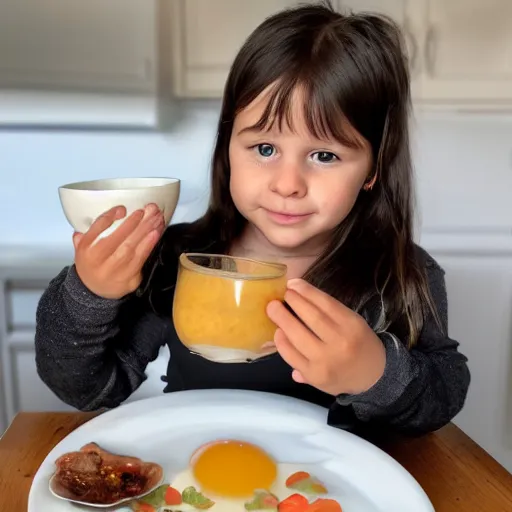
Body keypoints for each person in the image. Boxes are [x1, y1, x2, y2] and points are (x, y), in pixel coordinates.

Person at [35, 1, 470, 435]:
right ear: (228, 146)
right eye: (265, 149)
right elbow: (85, 390)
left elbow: (444, 391)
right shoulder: (178, 257)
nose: (288, 184)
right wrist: (89, 294)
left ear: (373, 169)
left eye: (324, 155)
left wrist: (377, 373)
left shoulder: (399, 273)